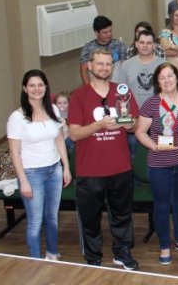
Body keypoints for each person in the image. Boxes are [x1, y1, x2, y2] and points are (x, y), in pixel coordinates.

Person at [68, 48, 139, 269]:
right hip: (90, 170)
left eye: (108, 64)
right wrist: (99, 125)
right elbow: (74, 133)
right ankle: (92, 257)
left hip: (120, 166)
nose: (104, 68)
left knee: (122, 215)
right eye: (100, 64)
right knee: (90, 218)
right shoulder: (79, 95)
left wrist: (129, 124)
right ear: (89, 66)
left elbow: (134, 122)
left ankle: (122, 252)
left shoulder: (122, 91)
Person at [134, 63, 178, 265]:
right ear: (157, 82)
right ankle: (164, 246)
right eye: (162, 77)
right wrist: (153, 146)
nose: (167, 80)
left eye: (170, 75)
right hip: (159, 164)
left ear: (177, 78)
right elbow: (139, 132)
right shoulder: (151, 103)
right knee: (161, 205)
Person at [7, 69, 71, 260]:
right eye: (32, 85)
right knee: (35, 221)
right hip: (32, 173)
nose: (37, 89)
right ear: (25, 89)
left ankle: (52, 253)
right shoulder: (17, 117)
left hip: (54, 170)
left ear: (46, 87)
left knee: (52, 218)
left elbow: (59, 140)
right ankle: (35, 261)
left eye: (40, 85)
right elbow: (14, 152)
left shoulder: (53, 109)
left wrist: (65, 167)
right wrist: (23, 181)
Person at [113, 30, 165, 107]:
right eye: (142, 42)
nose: (145, 46)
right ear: (136, 44)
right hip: (134, 114)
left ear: (154, 45)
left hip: (159, 113)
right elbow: (120, 93)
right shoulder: (126, 65)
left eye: (149, 43)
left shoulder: (164, 65)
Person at [79, 15, 127, 84]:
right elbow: (83, 71)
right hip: (96, 84)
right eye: (105, 32)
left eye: (110, 31)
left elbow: (125, 67)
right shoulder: (88, 48)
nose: (109, 34)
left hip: (117, 83)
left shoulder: (119, 45)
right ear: (96, 32)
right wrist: (88, 89)